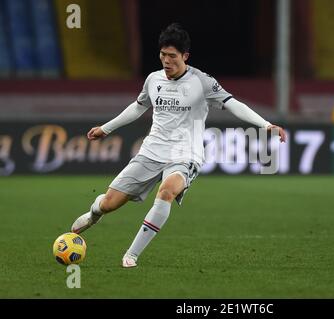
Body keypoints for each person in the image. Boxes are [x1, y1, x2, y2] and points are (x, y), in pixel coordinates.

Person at [71, 23, 286, 268]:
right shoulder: (153, 79)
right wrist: (105, 128)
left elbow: (233, 104)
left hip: (186, 153)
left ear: (185, 56)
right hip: (151, 151)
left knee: (167, 191)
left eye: (172, 56)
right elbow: (138, 107)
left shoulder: (202, 82)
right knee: (110, 203)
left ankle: (131, 255)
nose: (166, 61)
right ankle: (93, 214)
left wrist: (266, 125)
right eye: (163, 55)